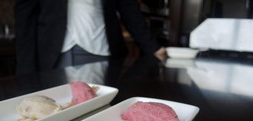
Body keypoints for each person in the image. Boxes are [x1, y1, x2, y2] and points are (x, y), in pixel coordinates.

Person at [15, 0, 167, 75]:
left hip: (104, 48)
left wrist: (152, 47)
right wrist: (26, 74)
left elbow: (127, 6)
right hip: (55, 51)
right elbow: (25, 16)